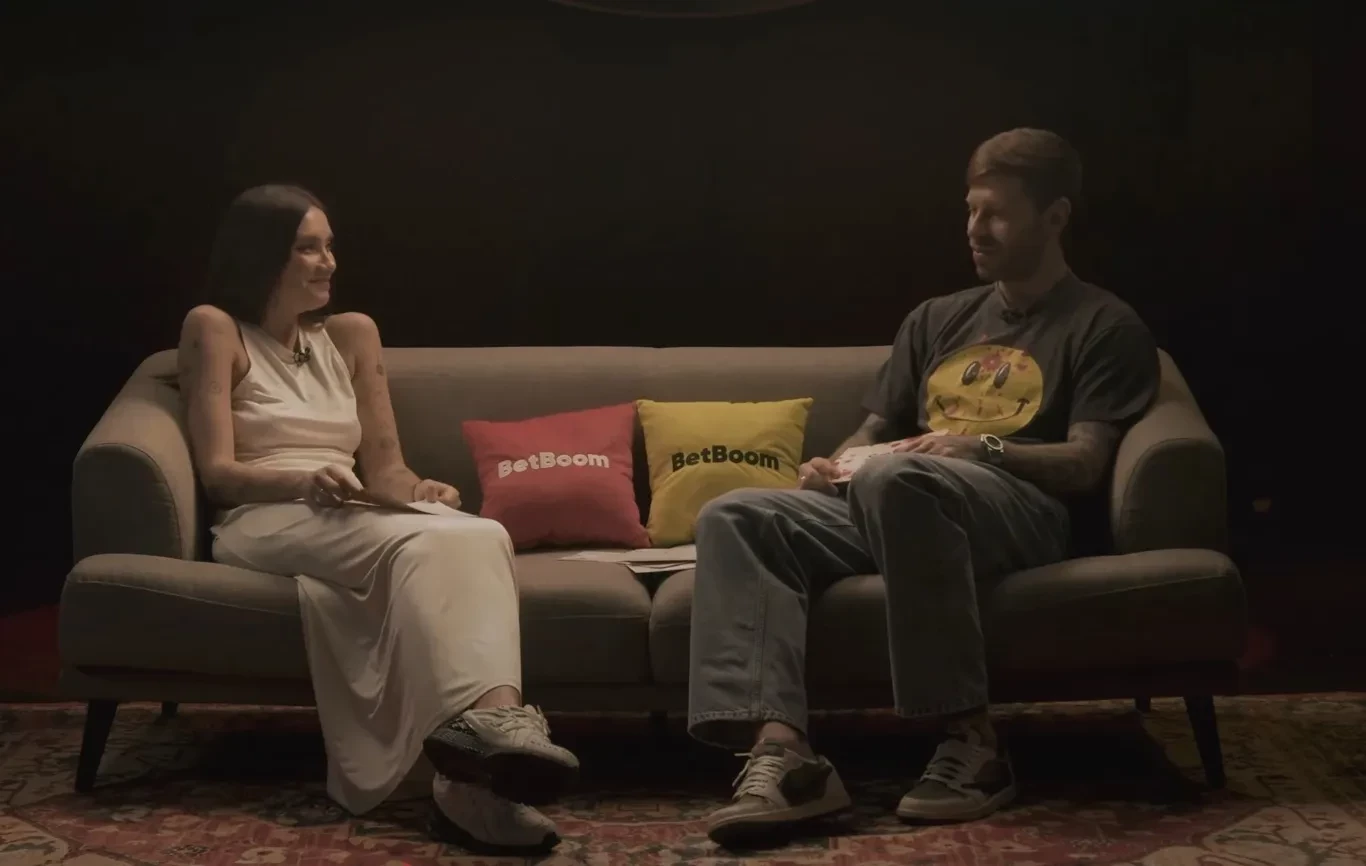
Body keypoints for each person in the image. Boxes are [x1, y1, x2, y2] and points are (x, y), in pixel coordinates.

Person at [687, 128, 1161, 846]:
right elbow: (874, 432)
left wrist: (981, 447)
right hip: (899, 501)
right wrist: (832, 467)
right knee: (736, 514)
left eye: (997, 214)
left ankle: (972, 741)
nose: (975, 229)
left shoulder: (1103, 324)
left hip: (1019, 513)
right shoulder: (938, 317)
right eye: (970, 210)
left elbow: (1087, 463)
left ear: (1055, 217)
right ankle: (786, 755)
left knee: (900, 478)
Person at [177, 184, 579, 856]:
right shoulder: (214, 327)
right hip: (264, 515)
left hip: (349, 511)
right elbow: (217, 472)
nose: (329, 262)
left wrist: (420, 489)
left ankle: (486, 757)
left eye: (330, 246)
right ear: (263, 255)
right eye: (308, 248)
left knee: (481, 532)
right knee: (426, 546)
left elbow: (386, 470)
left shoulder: (352, 334)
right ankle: (492, 742)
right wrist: (303, 480)